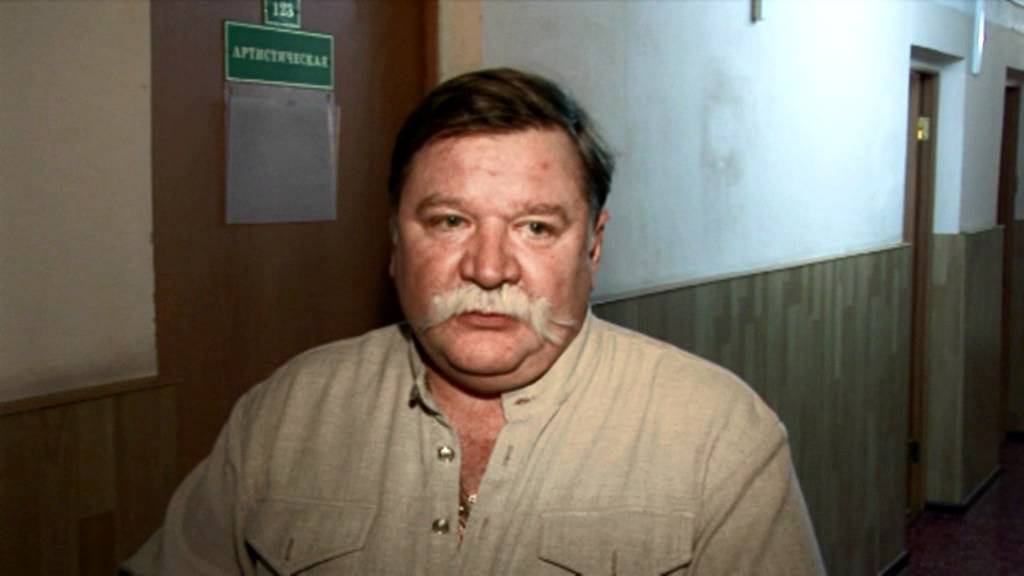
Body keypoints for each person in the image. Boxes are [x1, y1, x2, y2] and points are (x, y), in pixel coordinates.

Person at [124, 68, 825, 575]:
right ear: (395, 242)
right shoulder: (287, 413)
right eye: (450, 221)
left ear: (594, 245)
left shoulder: (718, 436)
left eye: (536, 227)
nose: (489, 269)